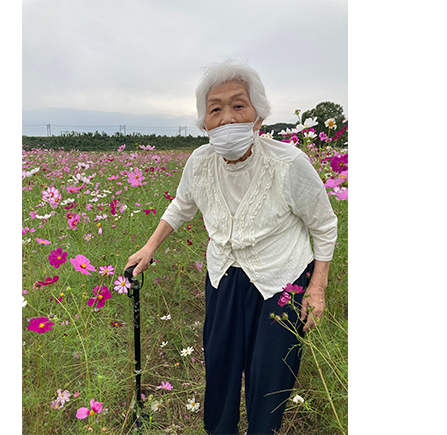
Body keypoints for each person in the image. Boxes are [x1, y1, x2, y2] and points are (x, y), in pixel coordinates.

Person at [125, 59, 338, 435]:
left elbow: (323, 225)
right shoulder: (200, 162)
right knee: (220, 367)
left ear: (258, 116)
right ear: (204, 122)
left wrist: (317, 287)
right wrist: (149, 246)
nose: (226, 118)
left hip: (282, 281)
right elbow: (181, 206)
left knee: (270, 375)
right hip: (223, 276)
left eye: (238, 106)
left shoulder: (288, 163)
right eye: (215, 109)